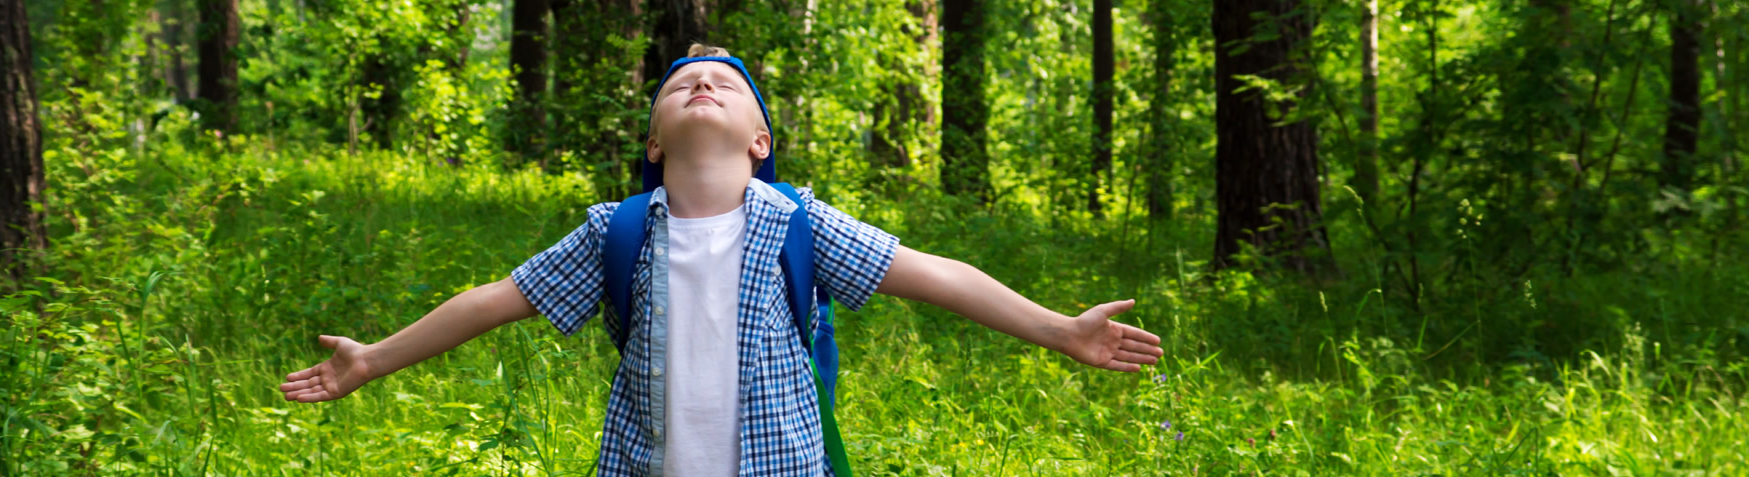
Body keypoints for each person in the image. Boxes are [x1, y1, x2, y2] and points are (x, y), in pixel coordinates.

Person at [278, 44, 1164, 476]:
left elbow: (936, 273)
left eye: (727, 82)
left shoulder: (798, 223)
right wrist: (372, 359)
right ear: (656, 140)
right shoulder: (614, 231)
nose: (701, 82)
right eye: (679, 84)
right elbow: (490, 300)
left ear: (759, 139)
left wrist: (1059, 330)